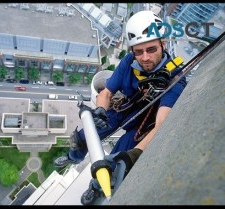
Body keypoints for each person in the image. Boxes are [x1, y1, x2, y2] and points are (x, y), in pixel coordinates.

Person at [54, 10, 187, 205]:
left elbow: (161, 125)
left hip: (143, 122)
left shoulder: (175, 79)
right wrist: (100, 110)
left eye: (151, 49)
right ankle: (73, 157)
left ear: (163, 45)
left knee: (116, 161)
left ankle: (96, 187)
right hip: (124, 107)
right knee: (84, 135)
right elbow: (106, 93)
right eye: (139, 51)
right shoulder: (129, 62)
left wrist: (133, 155)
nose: (145, 57)